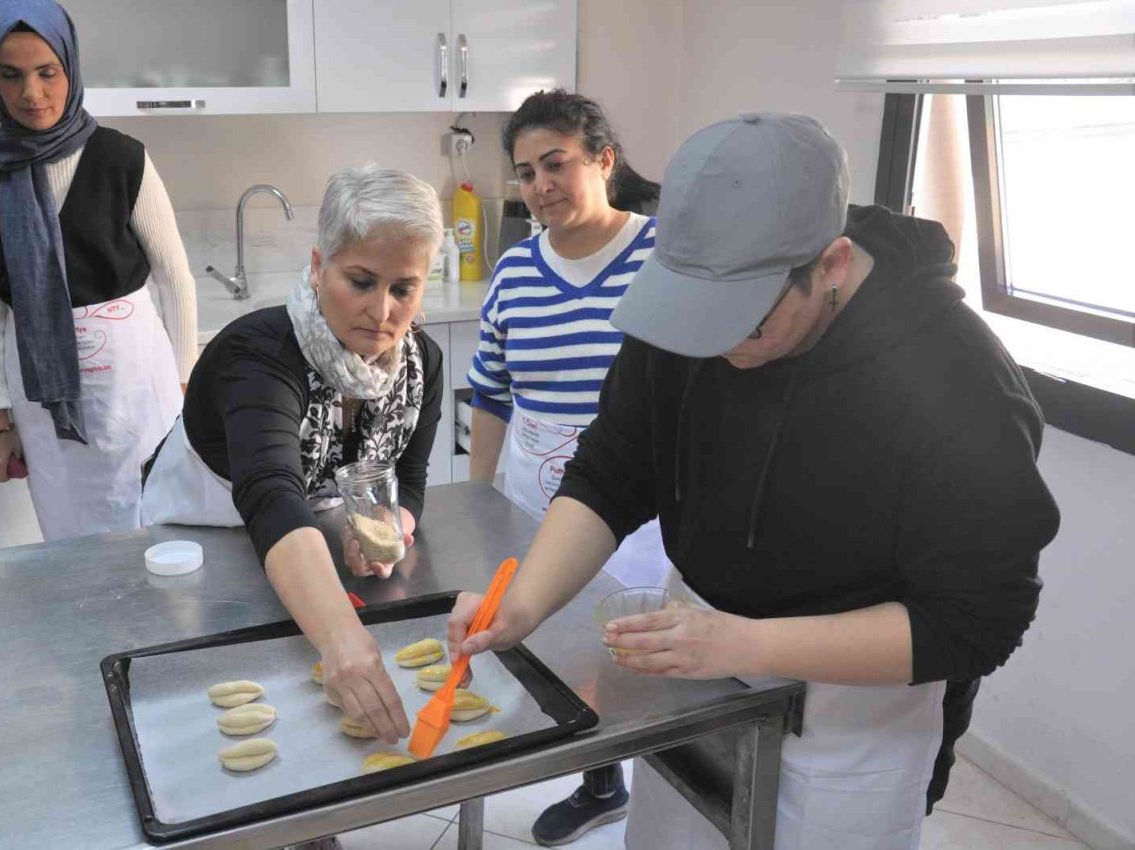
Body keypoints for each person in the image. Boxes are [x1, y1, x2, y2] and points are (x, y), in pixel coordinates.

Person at [448, 113, 1060, 850]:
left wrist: (746, 646)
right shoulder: (686, 314)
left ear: (831, 264)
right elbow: (612, 469)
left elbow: (976, 621)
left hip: (849, 721)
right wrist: (525, 602)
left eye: (745, 322)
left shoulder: (956, 383)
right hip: (698, 666)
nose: (715, 343)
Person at [142, 165, 445, 752]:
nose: (382, 311)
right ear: (317, 266)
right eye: (361, 281)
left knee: (304, 727)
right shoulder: (258, 356)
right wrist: (341, 639)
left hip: (300, 554)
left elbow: (411, 480)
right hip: (199, 552)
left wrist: (389, 526)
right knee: (202, 726)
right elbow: (271, 491)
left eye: (403, 288)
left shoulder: (419, 364)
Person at [465, 89, 665, 845]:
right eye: (525, 172)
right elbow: (490, 392)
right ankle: (601, 778)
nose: (540, 185)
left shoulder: (662, 256)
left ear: (604, 161)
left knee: (632, 641)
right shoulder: (514, 273)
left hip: (640, 499)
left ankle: (647, 778)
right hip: (535, 493)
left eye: (557, 163)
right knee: (558, 637)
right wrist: (480, 499)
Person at [0, 0, 197, 541]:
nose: (31, 94)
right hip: (39, 390)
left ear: (70, 66)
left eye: (48, 73)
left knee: (157, 513)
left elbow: (175, 275)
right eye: (10, 76)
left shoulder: (122, 158)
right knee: (70, 529)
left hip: (137, 381)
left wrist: (184, 385)